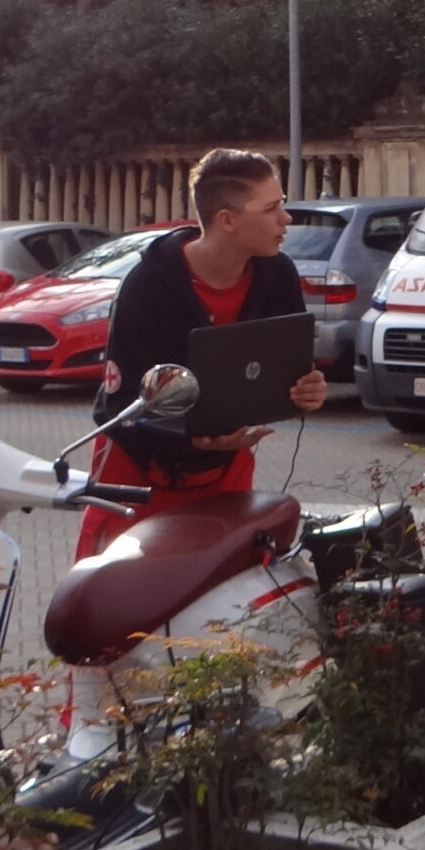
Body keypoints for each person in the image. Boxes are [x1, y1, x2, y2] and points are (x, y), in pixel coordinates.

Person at [75, 147, 329, 558]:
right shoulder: (146, 287)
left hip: (226, 468)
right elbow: (118, 407)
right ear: (226, 221)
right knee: (115, 605)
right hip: (138, 473)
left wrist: (307, 389)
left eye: (281, 205)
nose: (286, 219)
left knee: (219, 600)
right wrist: (197, 437)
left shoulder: (278, 273)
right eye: (271, 209)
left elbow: (284, 368)